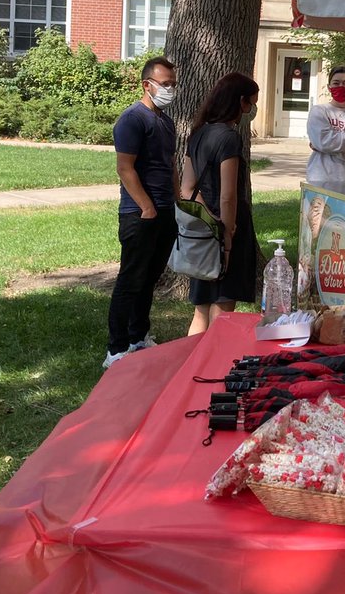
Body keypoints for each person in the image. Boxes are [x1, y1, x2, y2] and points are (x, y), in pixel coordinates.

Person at [104, 56, 179, 368]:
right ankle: (115, 349)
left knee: (149, 278)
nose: (170, 89)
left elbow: (170, 165)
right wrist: (146, 206)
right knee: (130, 280)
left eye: (173, 84)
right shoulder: (132, 120)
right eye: (164, 84)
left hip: (165, 211)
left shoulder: (165, 121)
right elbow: (125, 168)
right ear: (147, 85)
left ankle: (139, 337)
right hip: (139, 214)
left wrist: (178, 200)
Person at [180, 72, 260, 335]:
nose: (251, 109)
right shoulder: (229, 138)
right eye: (250, 103)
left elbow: (187, 188)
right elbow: (228, 195)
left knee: (201, 308)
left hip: (203, 228)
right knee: (224, 307)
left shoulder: (198, 133)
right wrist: (225, 234)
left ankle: (191, 366)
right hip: (230, 228)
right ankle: (211, 367)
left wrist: (208, 219)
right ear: (239, 101)